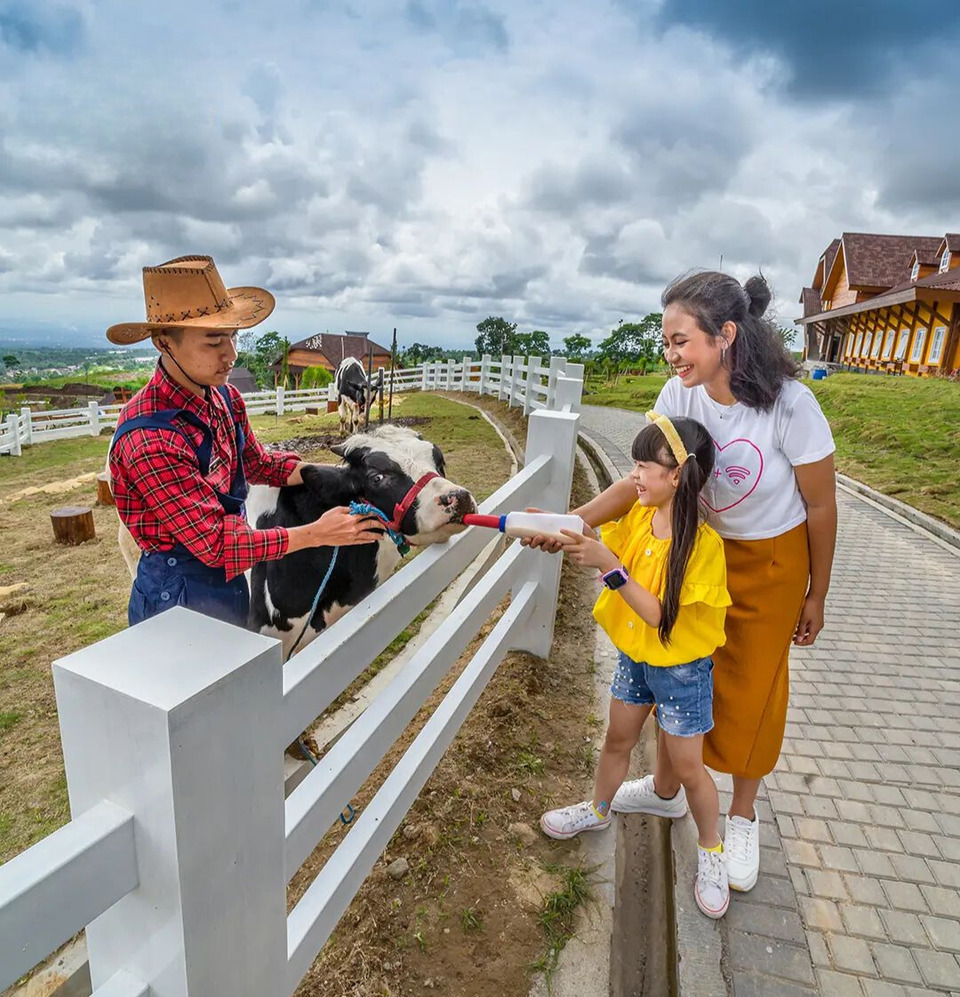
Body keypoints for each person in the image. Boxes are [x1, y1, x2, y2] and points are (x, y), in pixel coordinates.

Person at [536, 271, 836, 895]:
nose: (671, 355)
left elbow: (822, 505)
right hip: (700, 552)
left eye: (681, 341)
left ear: (726, 334)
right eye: (666, 342)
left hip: (771, 560)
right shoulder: (680, 396)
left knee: (754, 685)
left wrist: (817, 592)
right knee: (679, 669)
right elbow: (638, 480)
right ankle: (668, 791)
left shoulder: (788, 404)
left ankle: (743, 815)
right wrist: (577, 520)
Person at [107, 255, 383, 629]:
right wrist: (316, 533)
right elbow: (216, 545)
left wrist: (334, 476)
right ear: (164, 342)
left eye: (233, 337)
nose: (231, 354)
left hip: (228, 578)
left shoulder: (223, 398)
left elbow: (257, 463)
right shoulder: (150, 438)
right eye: (213, 342)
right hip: (176, 593)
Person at [539, 414, 733, 920]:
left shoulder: (702, 547)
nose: (635, 476)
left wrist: (608, 564)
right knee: (617, 738)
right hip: (636, 659)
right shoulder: (640, 519)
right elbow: (593, 538)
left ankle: (712, 849)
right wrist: (550, 528)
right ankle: (598, 810)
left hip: (683, 671)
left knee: (690, 768)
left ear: (678, 476)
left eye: (645, 466)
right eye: (635, 464)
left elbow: (658, 614)